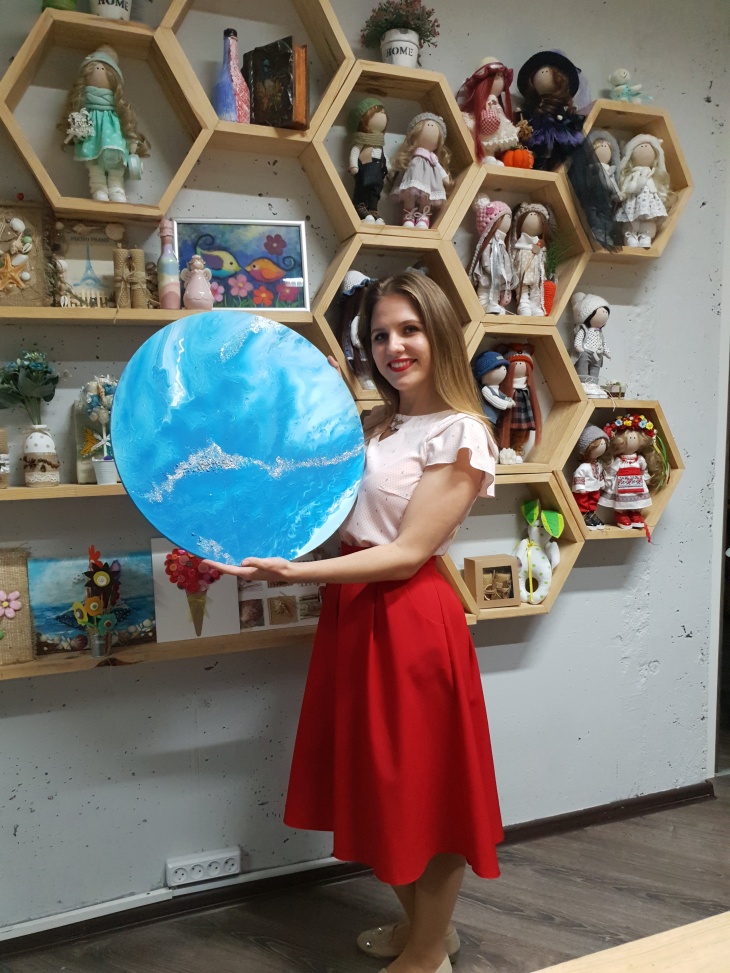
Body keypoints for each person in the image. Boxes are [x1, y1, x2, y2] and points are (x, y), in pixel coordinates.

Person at [206, 272, 503, 973]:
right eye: (380, 334)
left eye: (410, 329)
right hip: (354, 614)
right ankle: (426, 932)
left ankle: (427, 955)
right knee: (377, 787)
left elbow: (405, 553)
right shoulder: (377, 426)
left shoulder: (462, 432)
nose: (394, 346)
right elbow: (334, 516)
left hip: (409, 619)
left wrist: (294, 575)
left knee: (424, 791)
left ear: (439, 333)